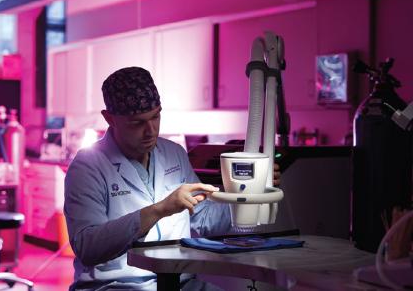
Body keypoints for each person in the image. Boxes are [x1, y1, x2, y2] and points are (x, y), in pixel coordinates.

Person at [64, 67, 281, 290]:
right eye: (137, 123)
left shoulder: (173, 153)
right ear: (110, 119)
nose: (150, 131)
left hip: (181, 282)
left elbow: (203, 220)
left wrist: (247, 193)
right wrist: (160, 209)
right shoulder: (88, 166)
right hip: (117, 285)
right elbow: (87, 247)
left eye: (155, 116)